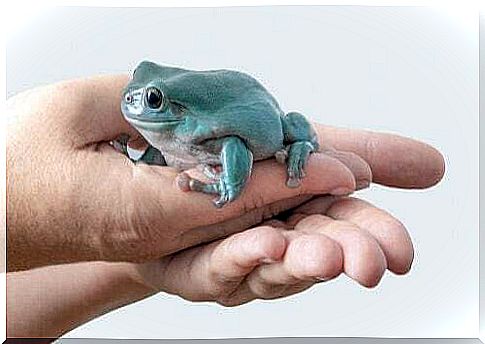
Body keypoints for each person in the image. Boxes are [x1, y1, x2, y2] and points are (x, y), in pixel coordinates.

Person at [6, 74, 445, 339]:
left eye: (152, 100)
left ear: (170, 104)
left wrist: (230, 186)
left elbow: (233, 142)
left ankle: (297, 152)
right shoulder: (169, 128)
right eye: (136, 96)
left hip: (264, 133)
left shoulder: (200, 124)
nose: (133, 107)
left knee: (292, 140)